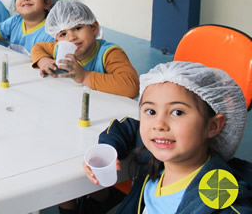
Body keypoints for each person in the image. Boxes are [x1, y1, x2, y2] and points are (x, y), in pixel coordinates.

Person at [82, 61, 252, 214]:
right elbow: (129, 128)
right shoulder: (155, 151)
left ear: (213, 126)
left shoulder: (222, 202)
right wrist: (107, 149)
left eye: (177, 112)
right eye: (151, 111)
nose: (159, 124)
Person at [31, 0, 139, 98]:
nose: (71, 37)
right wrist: (44, 61)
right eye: (63, 34)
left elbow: (132, 87)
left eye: (77, 28)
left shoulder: (109, 54)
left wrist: (85, 76)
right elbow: (37, 47)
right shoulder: (60, 50)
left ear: (94, 28)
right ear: (57, 41)